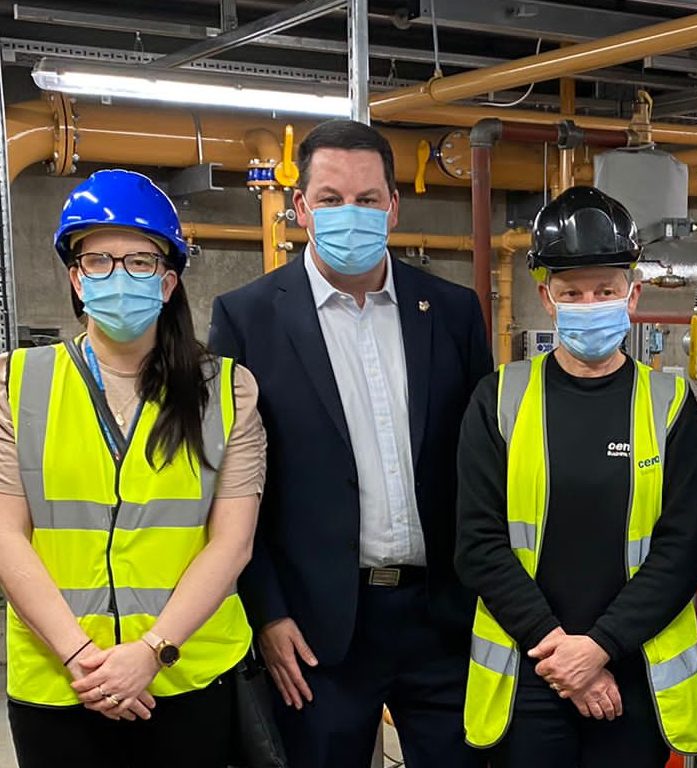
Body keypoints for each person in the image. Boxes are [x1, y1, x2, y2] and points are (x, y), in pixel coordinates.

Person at [208, 118, 492, 768]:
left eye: (367, 200)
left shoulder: (451, 312)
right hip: (316, 630)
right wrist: (267, 614)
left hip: (442, 618)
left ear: (394, 205)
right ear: (300, 206)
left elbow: (483, 467)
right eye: (331, 200)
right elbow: (234, 488)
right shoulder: (247, 318)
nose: (351, 215)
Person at [0, 169, 266, 768]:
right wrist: (80, 658)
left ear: (169, 282)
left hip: (187, 673)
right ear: (75, 277)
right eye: (98, 261)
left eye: (141, 262)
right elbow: (4, 535)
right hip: (59, 679)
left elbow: (232, 543)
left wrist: (151, 650)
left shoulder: (226, 390)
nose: (119, 277)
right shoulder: (14, 383)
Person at [455, 186, 697, 768]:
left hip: (634, 677)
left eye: (605, 289)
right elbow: (478, 544)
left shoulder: (670, 405)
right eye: (572, 291)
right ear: (547, 297)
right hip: (531, 676)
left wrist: (598, 649)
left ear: (633, 293)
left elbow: (681, 551)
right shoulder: (499, 399)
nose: (588, 301)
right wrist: (565, 660)